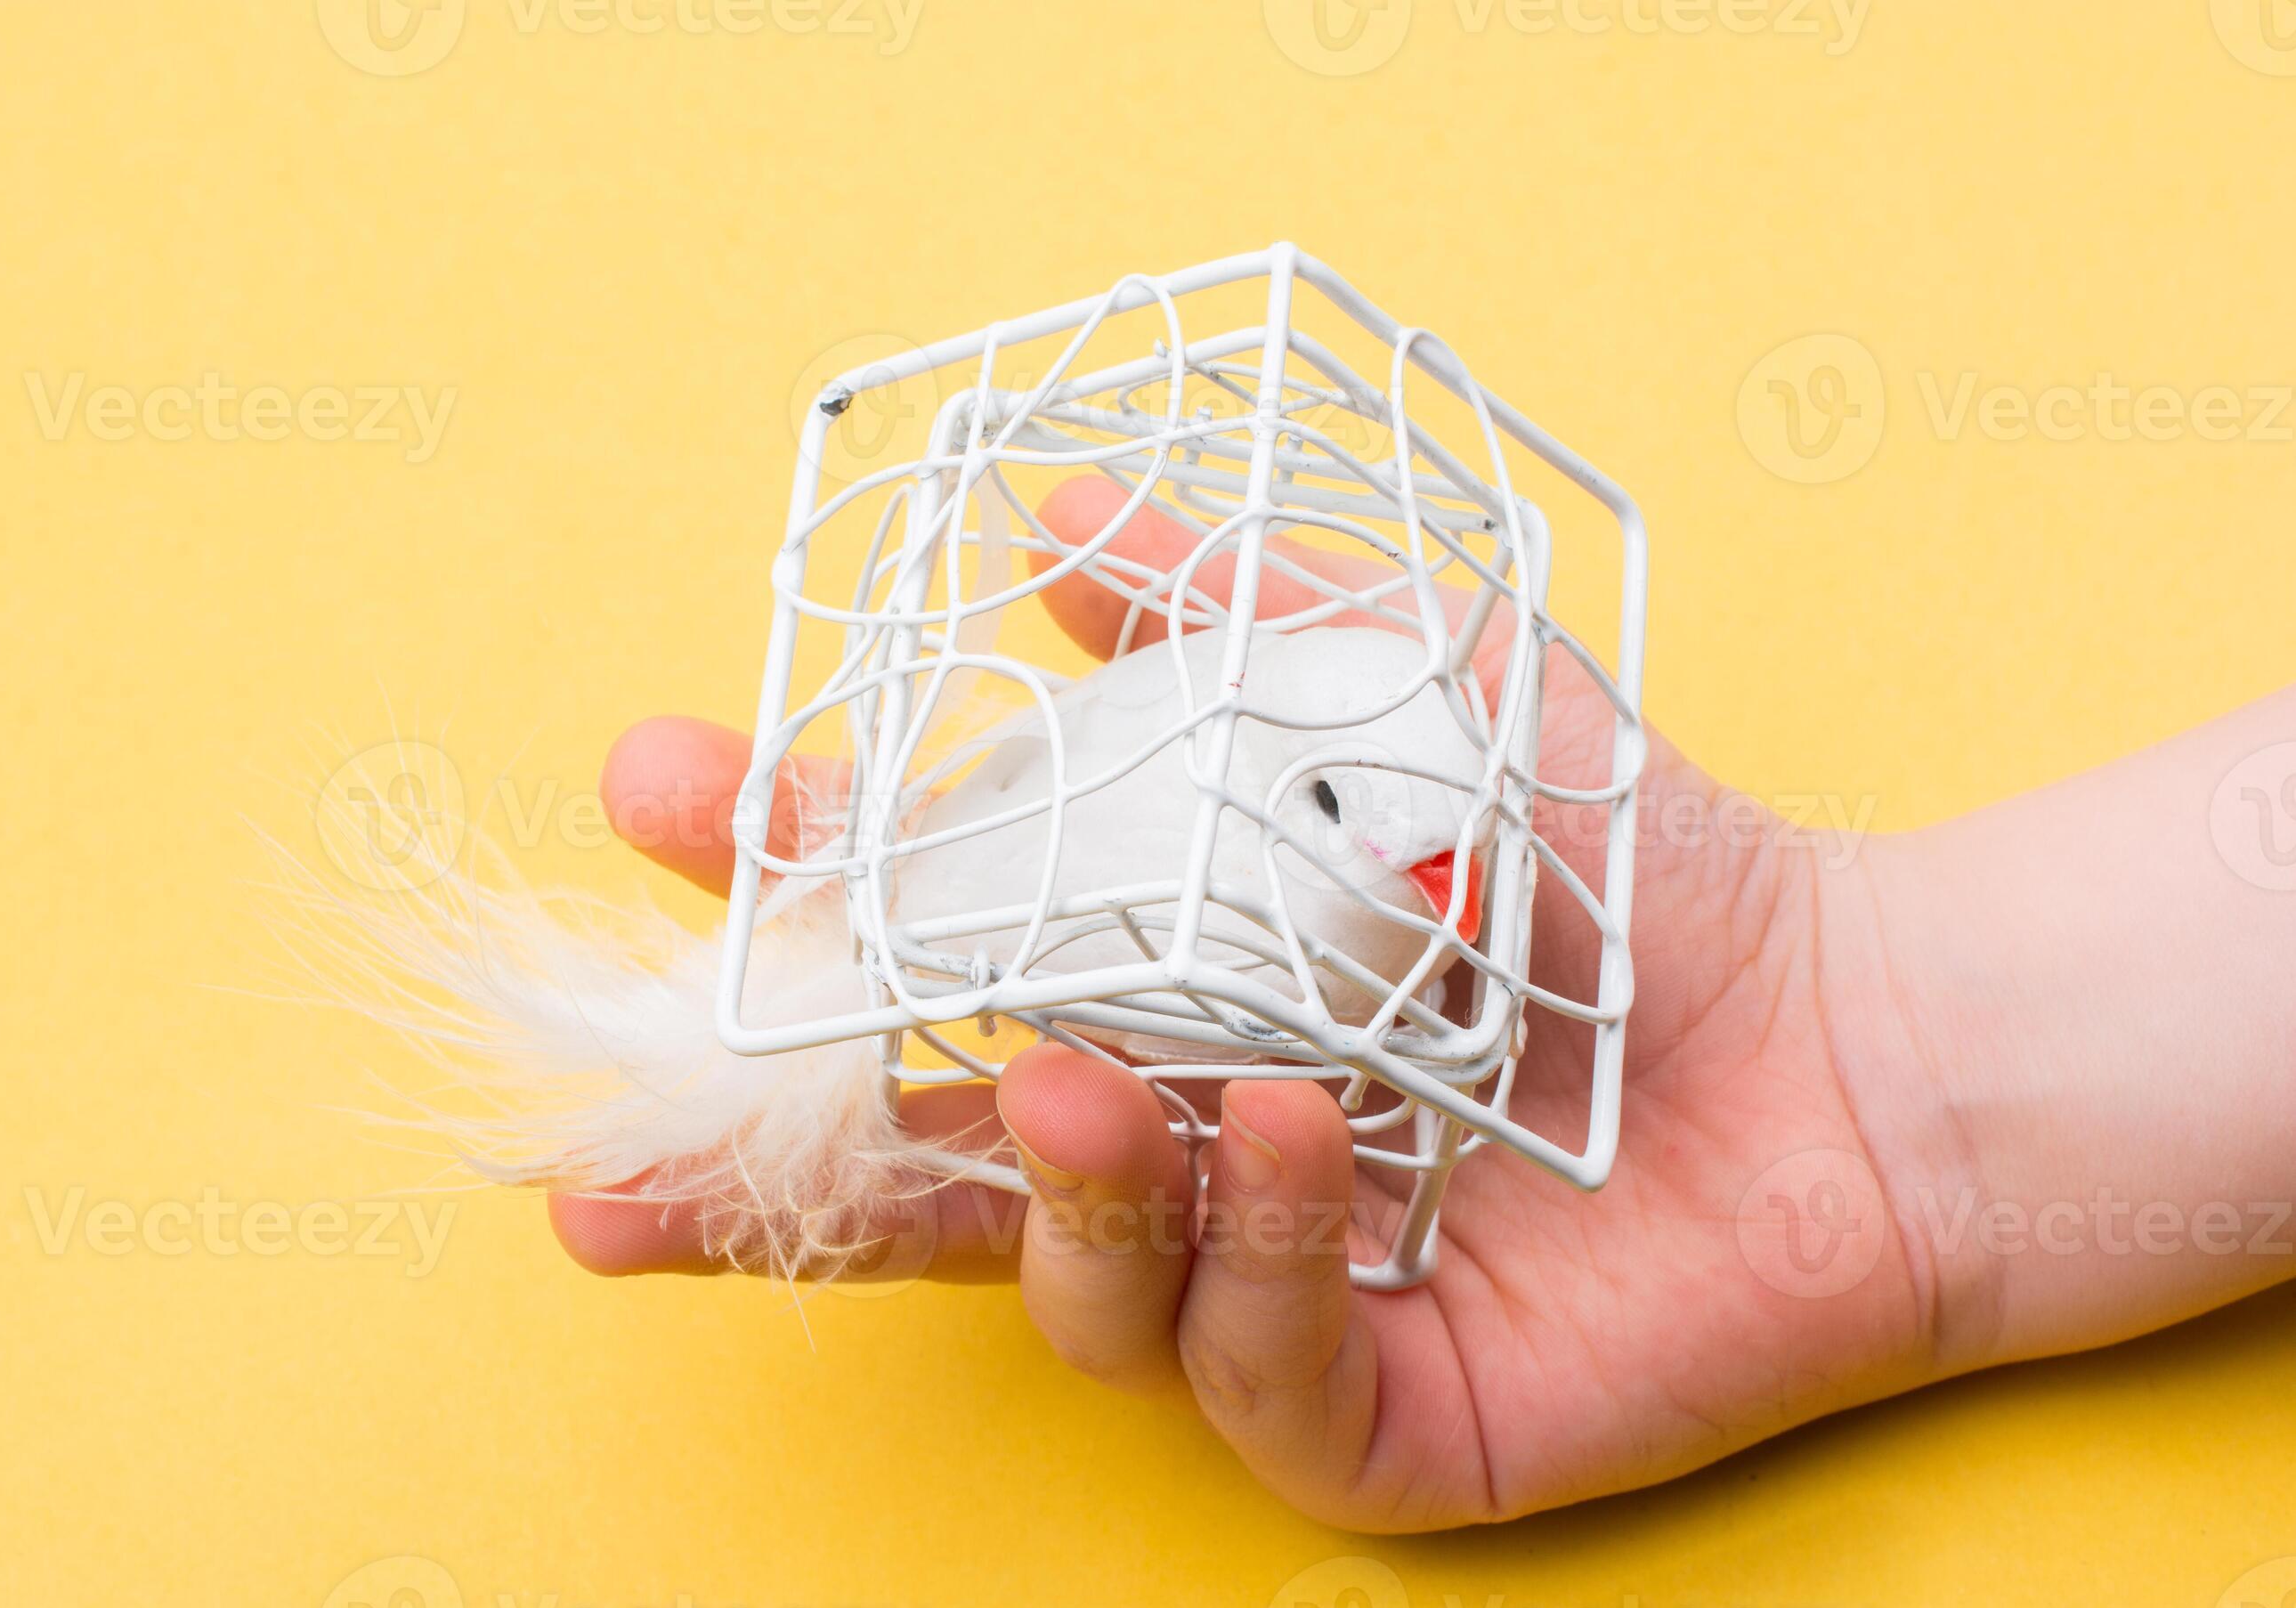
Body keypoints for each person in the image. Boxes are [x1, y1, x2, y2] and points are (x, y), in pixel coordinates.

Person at [561, 477, 2296, 1532]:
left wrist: (1865, 1063)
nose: (1464, 893)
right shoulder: (1162, 827)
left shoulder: (1400, 783)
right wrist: (1872, 1047)